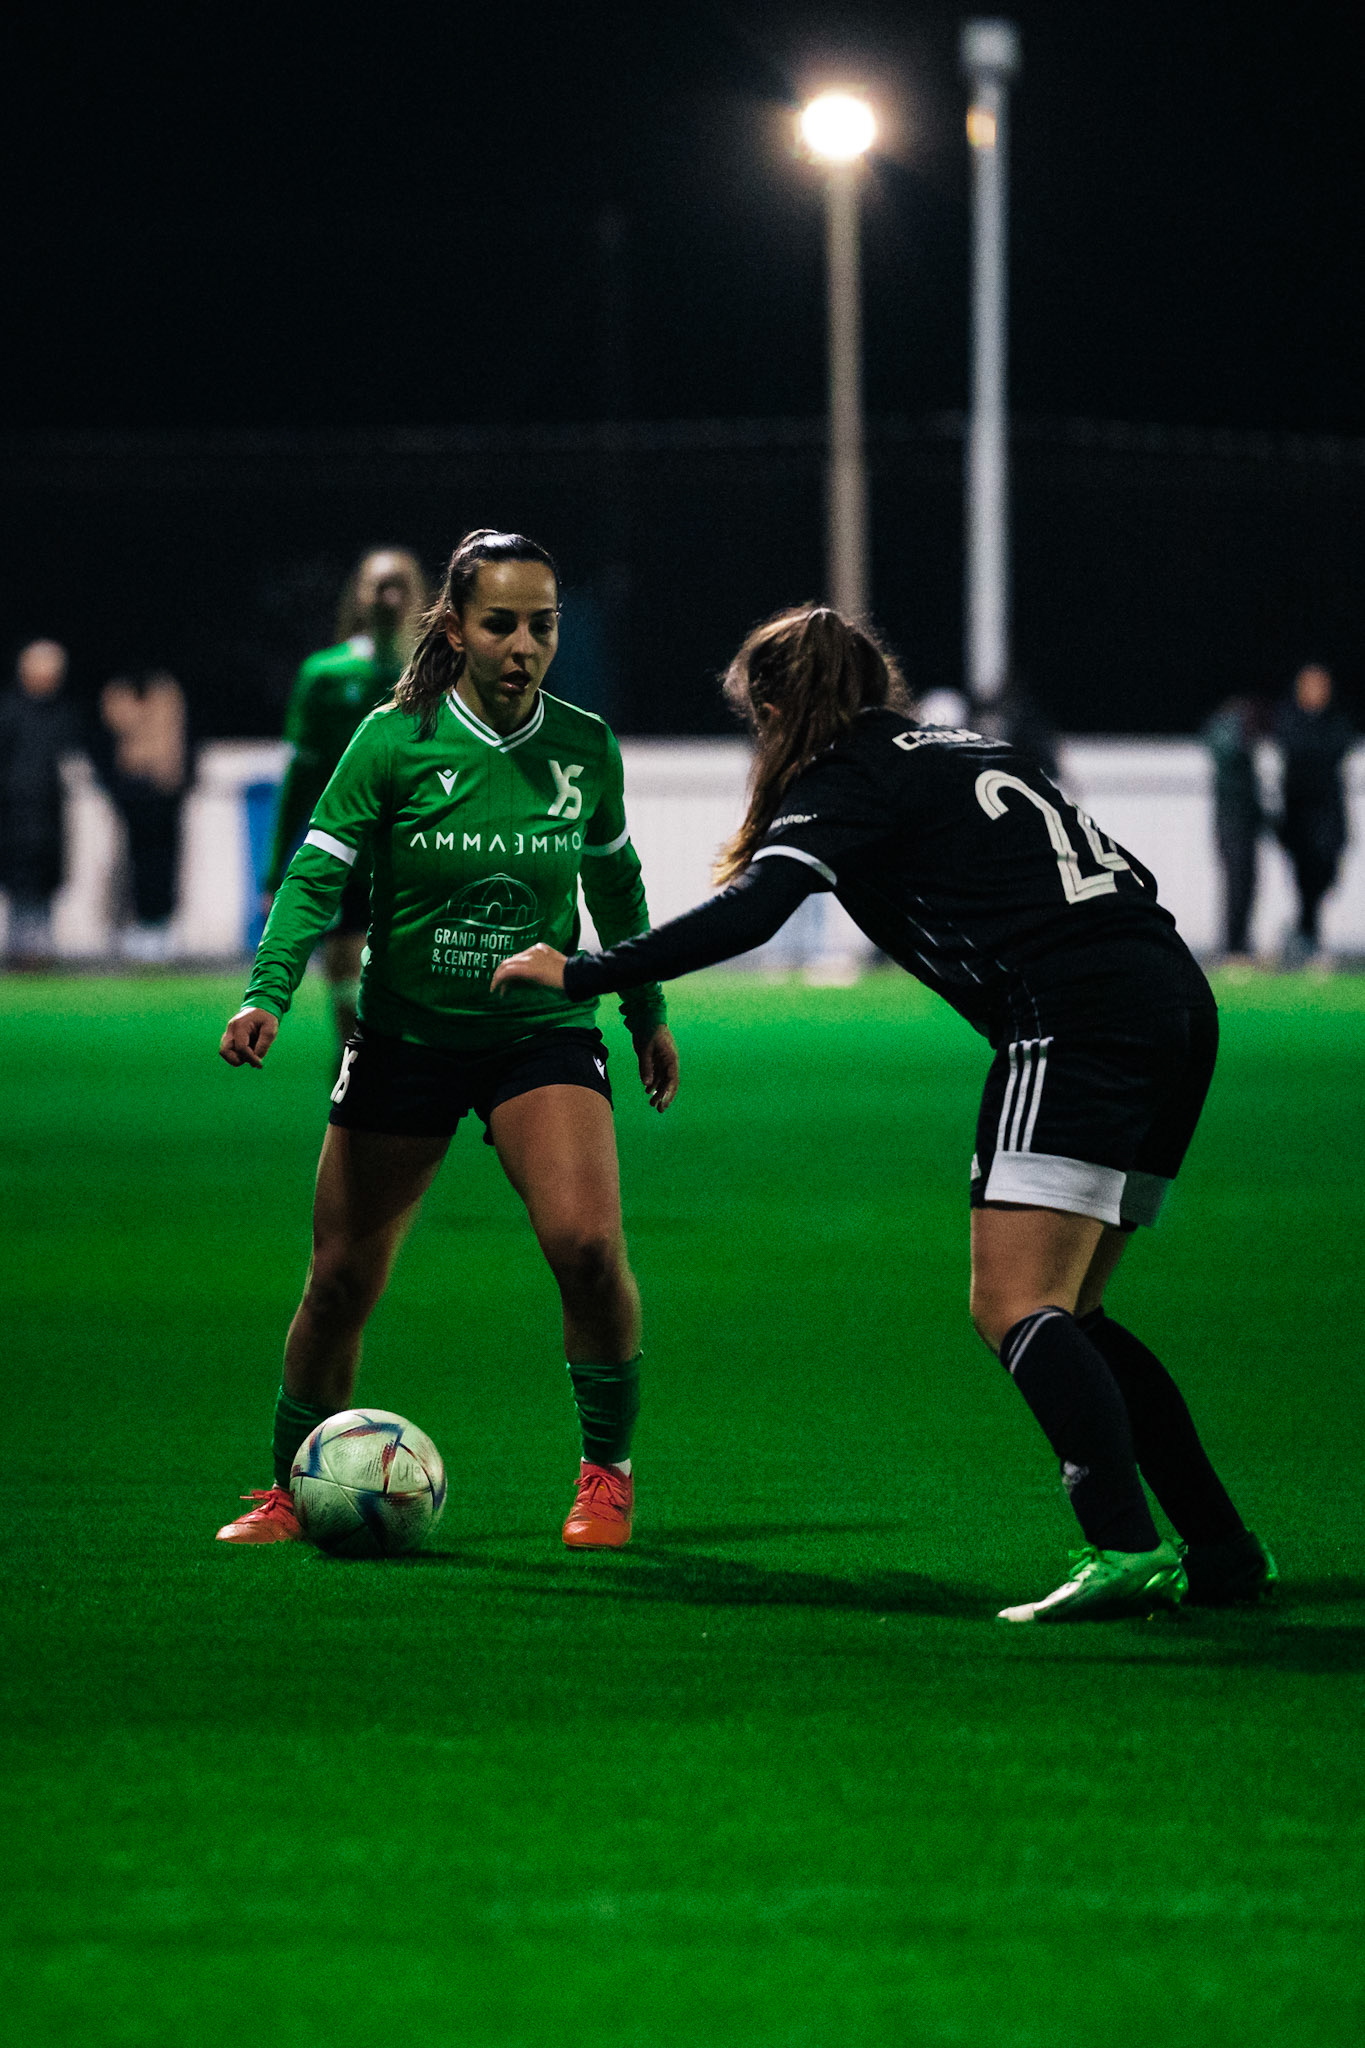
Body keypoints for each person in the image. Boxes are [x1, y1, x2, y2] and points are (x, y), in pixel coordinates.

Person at [494, 604, 1275, 1624]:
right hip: (1172, 1000)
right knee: (1072, 1311)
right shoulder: (958, 747)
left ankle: (1123, 1545)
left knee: (1013, 1304)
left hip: (1075, 1015)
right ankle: (1218, 1544)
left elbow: (757, 907)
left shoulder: (848, 772)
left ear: (777, 708)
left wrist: (586, 970)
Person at [216, 530, 679, 1551]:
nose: (524, 644)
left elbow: (618, 886)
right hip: (406, 1037)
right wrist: (269, 991)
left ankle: (607, 1475)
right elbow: (314, 872)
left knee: (591, 1250)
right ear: (457, 627)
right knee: (339, 1277)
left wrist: (645, 1014)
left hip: (539, 1036)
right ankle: (291, 1491)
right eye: (501, 622)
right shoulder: (392, 738)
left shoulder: (583, 746)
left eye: (542, 624)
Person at [264, 549, 429, 1050]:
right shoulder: (326, 674)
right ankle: (350, 1083)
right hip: (349, 855)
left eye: (400, 584)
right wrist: (276, 870)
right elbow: (301, 773)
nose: (391, 596)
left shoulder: (438, 673)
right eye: (381, 584)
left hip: (416, 856)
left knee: (410, 991)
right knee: (345, 990)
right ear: (360, 593)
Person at [0, 640, 82, 965]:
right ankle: (19, 950)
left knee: (47, 883)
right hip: (12, 814)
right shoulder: (8, 711)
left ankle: (42, 951)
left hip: (50, 816)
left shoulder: (63, 714)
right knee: (19, 885)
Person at [99, 669, 189, 961]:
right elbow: (115, 723)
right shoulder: (119, 692)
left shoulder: (168, 691)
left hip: (165, 789)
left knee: (165, 861)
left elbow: (178, 739)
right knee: (134, 861)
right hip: (134, 789)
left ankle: (161, 927)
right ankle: (138, 926)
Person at [1275, 664, 1353, 970]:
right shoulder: (1289, 719)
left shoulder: (1336, 721)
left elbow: (1337, 748)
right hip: (1299, 817)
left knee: (1327, 874)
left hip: (1330, 817)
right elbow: (1298, 751)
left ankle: (1303, 934)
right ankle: (1307, 939)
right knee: (1304, 880)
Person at [1202, 695, 1266, 965]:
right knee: (1236, 884)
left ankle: (1240, 944)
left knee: (1248, 883)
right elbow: (1228, 757)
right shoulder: (1227, 735)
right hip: (1231, 824)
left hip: (1244, 824)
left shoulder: (1244, 747)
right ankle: (1232, 947)